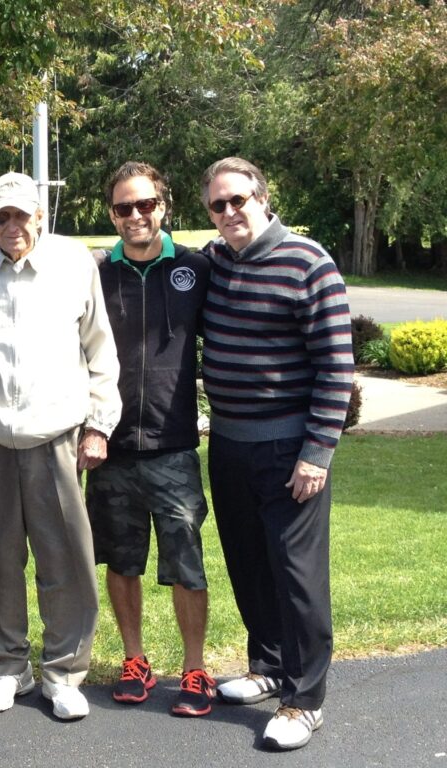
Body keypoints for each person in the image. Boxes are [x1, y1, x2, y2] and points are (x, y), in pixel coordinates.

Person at [0, 172, 122, 720]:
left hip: (59, 439)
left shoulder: (74, 264)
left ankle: (65, 671)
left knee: (65, 558)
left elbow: (100, 351)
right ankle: (7, 666)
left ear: (41, 216)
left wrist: (99, 425)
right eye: (2, 217)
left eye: (22, 215)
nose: (13, 226)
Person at [199, 157, 354, 750]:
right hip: (230, 444)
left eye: (239, 200)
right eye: (218, 205)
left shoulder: (309, 263)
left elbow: (336, 368)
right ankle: (266, 667)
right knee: (248, 563)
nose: (230, 212)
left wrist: (317, 452)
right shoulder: (216, 262)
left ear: (263, 197)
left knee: (297, 576)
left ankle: (304, 699)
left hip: (291, 449)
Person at [85, 162, 216, 717]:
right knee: (121, 561)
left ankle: (195, 667)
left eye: (145, 205)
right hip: (110, 448)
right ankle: (134, 659)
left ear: (164, 204)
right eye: (123, 207)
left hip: (174, 446)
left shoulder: (195, 269)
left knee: (187, 564)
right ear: (111, 213)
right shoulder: (95, 274)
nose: (135, 216)